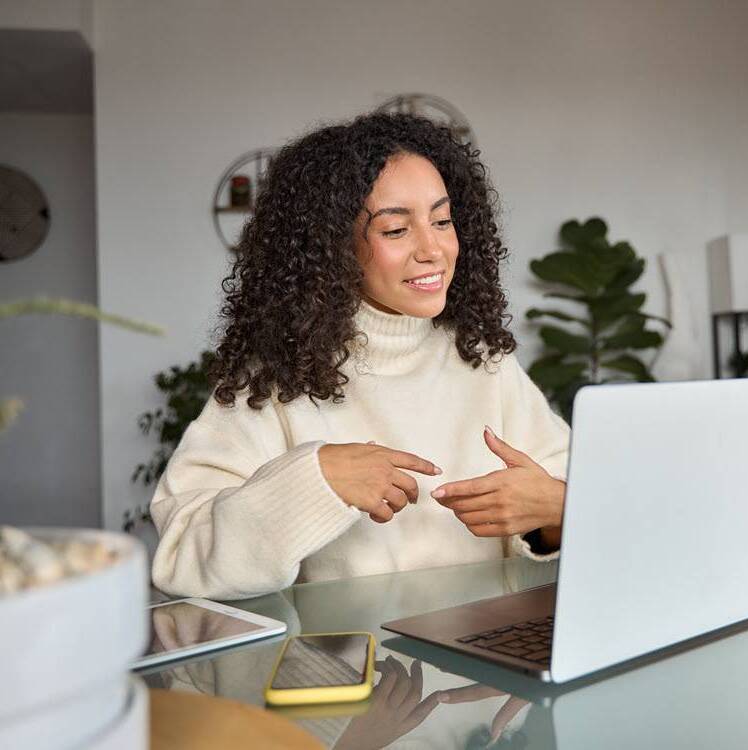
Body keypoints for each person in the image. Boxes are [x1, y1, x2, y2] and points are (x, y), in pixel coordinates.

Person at [150, 112, 571, 600]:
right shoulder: (276, 382)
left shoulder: (483, 362)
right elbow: (182, 556)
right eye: (395, 230)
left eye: (441, 220)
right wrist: (315, 480)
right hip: (351, 671)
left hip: (488, 663)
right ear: (333, 246)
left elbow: (576, 505)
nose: (433, 249)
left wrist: (558, 511)